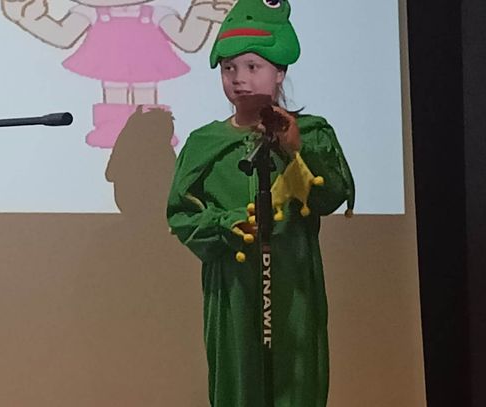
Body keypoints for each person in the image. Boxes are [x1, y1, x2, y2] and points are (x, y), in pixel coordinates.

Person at [167, 0, 355, 406]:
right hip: (233, 287)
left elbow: (330, 195)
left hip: (293, 280)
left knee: (295, 376)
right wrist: (225, 224)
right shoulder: (204, 143)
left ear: (279, 71)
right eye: (229, 68)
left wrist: (296, 148)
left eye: (253, 67)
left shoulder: (310, 133)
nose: (239, 78)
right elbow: (181, 214)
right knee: (239, 380)